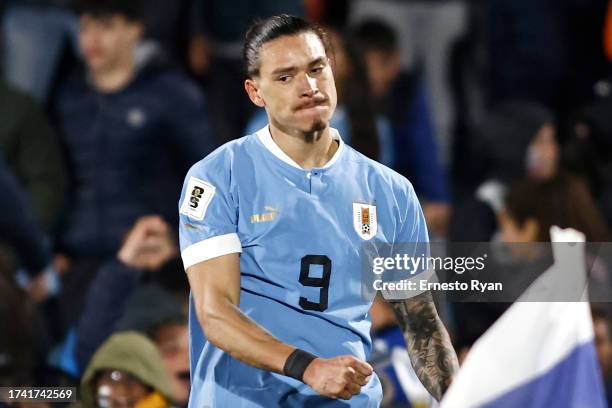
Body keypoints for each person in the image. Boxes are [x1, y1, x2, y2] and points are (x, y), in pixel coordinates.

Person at [179, 15, 458, 407]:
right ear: (254, 92)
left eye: (316, 69)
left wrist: (462, 399)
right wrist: (308, 368)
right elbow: (216, 314)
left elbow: (422, 327)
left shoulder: (392, 192)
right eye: (285, 76)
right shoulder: (216, 177)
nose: (308, 87)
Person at [53, 0, 215, 260]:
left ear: (135, 30)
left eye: (106, 27)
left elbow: (209, 175)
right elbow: (58, 180)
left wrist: (180, 236)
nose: (92, 39)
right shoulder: (68, 98)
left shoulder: (172, 93)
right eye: (85, 28)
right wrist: (56, 249)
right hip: (79, 259)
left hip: (154, 261)